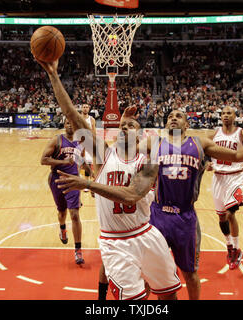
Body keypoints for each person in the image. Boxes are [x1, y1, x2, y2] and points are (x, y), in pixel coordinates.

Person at [55, 108, 243, 300]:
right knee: (150, 276)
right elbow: (124, 146)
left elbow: (236, 155)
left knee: (190, 273)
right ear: (165, 124)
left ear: (186, 124)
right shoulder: (153, 143)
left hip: (185, 217)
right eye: (170, 116)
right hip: (157, 215)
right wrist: (125, 125)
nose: (173, 119)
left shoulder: (199, 143)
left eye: (178, 116)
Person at [36, 58, 182, 300]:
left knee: (169, 297)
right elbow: (72, 115)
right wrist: (53, 75)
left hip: (146, 233)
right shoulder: (103, 155)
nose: (124, 127)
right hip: (115, 242)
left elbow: (133, 195)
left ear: (141, 134)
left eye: (130, 125)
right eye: (122, 125)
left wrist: (88, 184)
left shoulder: (149, 161)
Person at [206, 106, 243, 270]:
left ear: (236, 116)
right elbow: (205, 151)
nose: (226, 116)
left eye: (229, 113)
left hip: (235, 177)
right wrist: (207, 162)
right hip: (218, 177)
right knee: (221, 217)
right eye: (224, 114)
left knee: (230, 214)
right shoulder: (214, 134)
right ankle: (229, 245)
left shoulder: (242, 133)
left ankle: (236, 248)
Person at [40, 118, 91, 265]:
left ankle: (78, 250)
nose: (70, 125)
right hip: (56, 179)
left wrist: (90, 175)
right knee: (62, 212)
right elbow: (43, 160)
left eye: (72, 123)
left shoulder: (80, 142)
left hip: (73, 180)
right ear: (64, 125)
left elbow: (81, 160)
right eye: (68, 122)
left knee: (74, 214)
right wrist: (63, 162)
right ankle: (62, 228)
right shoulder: (56, 140)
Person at [81, 104, 96, 192]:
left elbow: (94, 132)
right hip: (79, 142)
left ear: (89, 109)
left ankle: (87, 184)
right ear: (81, 108)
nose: (85, 108)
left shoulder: (92, 119)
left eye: (87, 107)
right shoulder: (78, 118)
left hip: (88, 142)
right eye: (84, 107)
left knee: (88, 163)